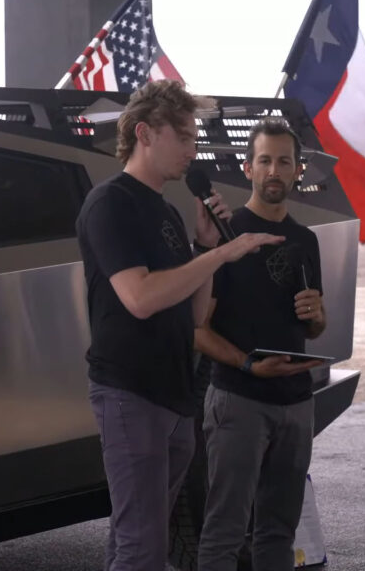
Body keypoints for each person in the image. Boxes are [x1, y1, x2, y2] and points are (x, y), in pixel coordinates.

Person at [75, 80, 284, 571]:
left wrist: (210, 249)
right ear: (146, 133)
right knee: (142, 548)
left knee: (142, 541)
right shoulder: (112, 204)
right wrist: (228, 251)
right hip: (130, 393)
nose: (194, 150)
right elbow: (142, 298)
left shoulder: (167, 210)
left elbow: (192, 315)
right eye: (185, 137)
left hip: (173, 393)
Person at [194, 117, 327, 571]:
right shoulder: (225, 237)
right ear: (248, 168)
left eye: (283, 162)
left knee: (279, 534)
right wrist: (249, 366)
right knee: (225, 532)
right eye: (265, 161)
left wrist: (318, 317)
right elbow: (197, 329)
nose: (274, 170)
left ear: (297, 171)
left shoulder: (306, 240)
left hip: (296, 402)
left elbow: (312, 329)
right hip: (238, 400)